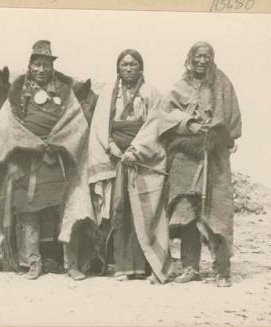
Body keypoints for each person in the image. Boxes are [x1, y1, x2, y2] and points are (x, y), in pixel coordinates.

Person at [0, 40, 98, 280]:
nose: (41, 69)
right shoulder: (18, 91)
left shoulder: (65, 90)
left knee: (67, 210)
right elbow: (6, 126)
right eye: (37, 64)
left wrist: (58, 142)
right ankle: (33, 263)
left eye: (45, 65)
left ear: (52, 67)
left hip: (59, 159)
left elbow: (76, 123)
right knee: (28, 212)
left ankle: (71, 264)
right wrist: (29, 142)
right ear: (30, 66)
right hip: (25, 162)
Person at [123, 41, 242, 287]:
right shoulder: (180, 86)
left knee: (217, 212)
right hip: (185, 158)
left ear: (212, 58)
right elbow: (164, 115)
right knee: (187, 212)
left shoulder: (223, 84)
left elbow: (231, 120)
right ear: (190, 57)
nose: (201, 60)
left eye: (206, 56)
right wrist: (189, 124)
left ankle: (222, 270)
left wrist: (214, 134)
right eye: (197, 56)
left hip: (214, 157)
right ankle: (190, 267)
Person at [88, 49, 173, 284]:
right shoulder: (108, 93)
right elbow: (101, 125)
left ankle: (143, 265)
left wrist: (136, 151)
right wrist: (112, 146)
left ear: (141, 67)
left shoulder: (151, 93)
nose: (128, 68)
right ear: (118, 68)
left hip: (142, 160)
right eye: (124, 64)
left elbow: (155, 125)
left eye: (133, 64)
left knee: (143, 210)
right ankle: (122, 266)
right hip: (116, 159)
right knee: (119, 210)